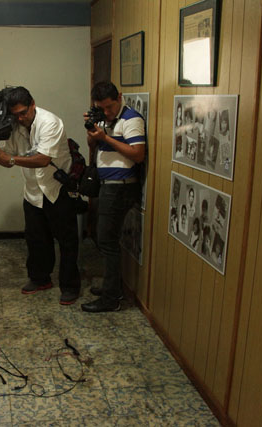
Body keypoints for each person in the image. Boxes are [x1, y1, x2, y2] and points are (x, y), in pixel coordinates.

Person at [0, 86, 81, 305]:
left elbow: (42, 159)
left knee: (67, 241)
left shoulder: (50, 123)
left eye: (23, 113)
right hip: (32, 191)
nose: (20, 118)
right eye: (15, 114)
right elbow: (7, 159)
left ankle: (69, 286)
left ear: (33, 104)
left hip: (57, 189)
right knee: (36, 239)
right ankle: (40, 279)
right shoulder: (16, 126)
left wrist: (8, 158)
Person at [81, 81, 145, 313]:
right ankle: (112, 287)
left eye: (109, 107)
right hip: (107, 184)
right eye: (101, 108)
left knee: (106, 241)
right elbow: (91, 144)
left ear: (119, 97)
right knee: (105, 239)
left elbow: (138, 155)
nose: (106, 112)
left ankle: (110, 298)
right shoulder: (105, 118)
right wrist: (94, 129)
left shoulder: (131, 119)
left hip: (120, 187)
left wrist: (106, 137)